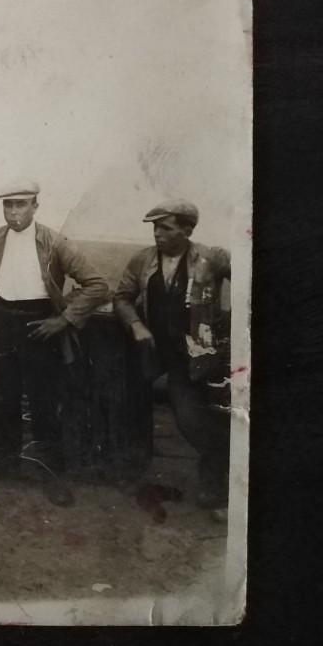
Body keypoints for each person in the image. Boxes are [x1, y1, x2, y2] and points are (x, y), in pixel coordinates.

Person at [0, 180, 110, 506]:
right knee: (4, 398)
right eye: (8, 205)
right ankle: (5, 462)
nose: (14, 212)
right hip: (2, 323)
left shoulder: (55, 242)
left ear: (35, 206)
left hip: (39, 326)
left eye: (21, 204)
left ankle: (51, 471)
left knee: (43, 402)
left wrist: (63, 319)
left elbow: (97, 285)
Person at [114, 199, 231, 513]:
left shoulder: (212, 258)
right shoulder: (142, 260)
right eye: (155, 228)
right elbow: (122, 297)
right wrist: (136, 324)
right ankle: (135, 466)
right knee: (133, 408)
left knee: (191, 420)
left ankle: (213, 480)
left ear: (187, 229)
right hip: (152, 349)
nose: (157, 235)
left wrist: (228, 323)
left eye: (165, 228)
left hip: (188, 355)